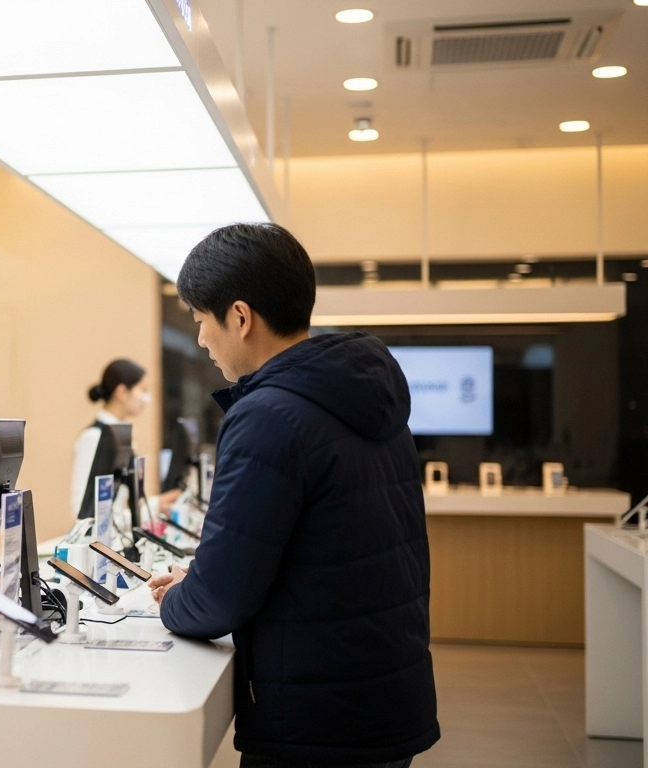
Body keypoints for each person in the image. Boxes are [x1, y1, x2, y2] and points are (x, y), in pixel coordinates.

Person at [147, 223, 439, 767]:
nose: (202, 340)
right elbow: (320, 547)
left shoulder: (267, 415)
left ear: (239, 316)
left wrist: (176, 600)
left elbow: (219, 602)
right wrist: (206, 575)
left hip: (317, 719)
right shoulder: (364, 397)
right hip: (381, 693)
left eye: (202, 322)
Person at [70, 359, 181, 519]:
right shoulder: (93, 437)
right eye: (143, 390)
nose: (146, 398)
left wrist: (156, 505)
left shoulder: (122, 436)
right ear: (122, 392)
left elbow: (123, 505)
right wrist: (153, 509)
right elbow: (82, 511)